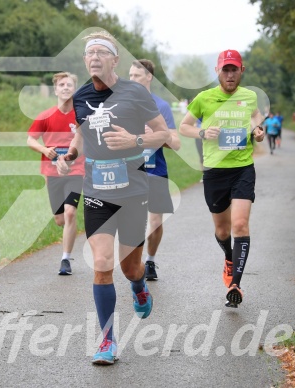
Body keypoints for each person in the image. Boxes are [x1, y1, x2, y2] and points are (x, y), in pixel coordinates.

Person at [56, 31, 170, 365]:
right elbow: (81, 129)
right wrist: (72, 152)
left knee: (130, 267)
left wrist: (135, 140)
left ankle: (138, 286)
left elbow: (163, 133)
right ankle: (107, 340)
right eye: (88, 52)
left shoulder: (135, 92)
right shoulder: (80, 97)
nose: (94, 56)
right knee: (102, 264)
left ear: (115, 60)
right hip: (96, 191)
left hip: (134, 192)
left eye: (101, 52)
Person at [179, 49, 265, 308]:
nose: (230, 74)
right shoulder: (204, 98)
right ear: (217, 71)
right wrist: (203, 132)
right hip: (215, 172)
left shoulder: (249, 97)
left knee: (240, 225)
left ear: (242, 71)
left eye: (234, 69)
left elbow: (255, 119)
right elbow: (184, 127)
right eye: (225, 70)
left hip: (242, 169)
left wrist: (258, 131)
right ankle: (229, 257)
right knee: (222, 230)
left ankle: (235, 284)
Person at [27, 72, 84, 275]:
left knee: (70, 212)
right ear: (56, 89)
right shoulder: (46, 115)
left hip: (76, 171)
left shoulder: (80, 115)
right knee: (60, 219)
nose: (66, 87)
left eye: (70, 84)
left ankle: (65, 259)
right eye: (62, 84)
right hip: (52, 173)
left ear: (74, 89)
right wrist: (45, 150)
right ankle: (69, 229)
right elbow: (30, 140)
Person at [128, 59, 181, 281]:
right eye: (129, 77)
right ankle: (133, 263)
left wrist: (160, 135)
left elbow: (176, 143)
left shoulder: (162, 107)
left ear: (149, 77)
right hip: (130, 171)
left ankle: (150, 260)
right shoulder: (123, 105)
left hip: (155, 169)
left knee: (156, 221)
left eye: (137, 76)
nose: (132, 80)